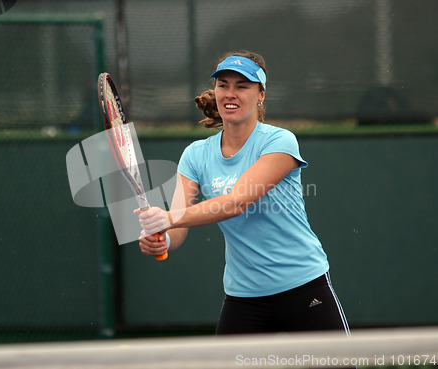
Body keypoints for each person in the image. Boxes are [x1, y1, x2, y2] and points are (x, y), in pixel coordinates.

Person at [135, 50, 350, 335]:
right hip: (244, 297)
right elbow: (178, 228)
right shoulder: (195, 155)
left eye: (242, 86)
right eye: (223, 84)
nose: (230, 93)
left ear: (261, 94)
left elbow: (236, 202)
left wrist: (168, 218)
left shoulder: (279, 141)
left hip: (304, 287)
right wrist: (161, 240)